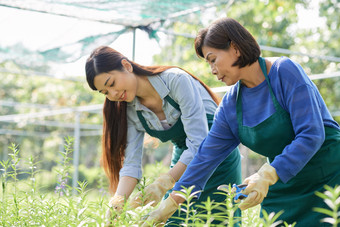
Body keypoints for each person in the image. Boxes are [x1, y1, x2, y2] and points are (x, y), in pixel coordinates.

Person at [143, 17, 340, 227]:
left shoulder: (284, 71)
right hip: (283, 186)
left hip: (327, 179)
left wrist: (267, 174)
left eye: (212, 59)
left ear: (235, 48)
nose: (212, 70)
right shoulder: (230, 106)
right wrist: (168, 206)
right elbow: (204, 160)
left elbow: (312, 134)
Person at [85, 46, 242, 226]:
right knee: (172, 221)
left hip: (218, 155)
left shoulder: (175, 80)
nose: (112, 94)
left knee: (219, 220)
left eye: (111, 84)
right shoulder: (129, 110)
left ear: (126, 66)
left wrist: (163, 183)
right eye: (105, 93)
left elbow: (199, 143)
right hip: (184, 157)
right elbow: (131, 164)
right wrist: (116, 204)